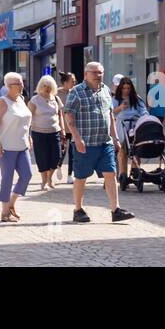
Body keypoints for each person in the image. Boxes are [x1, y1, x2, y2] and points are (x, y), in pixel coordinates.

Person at [63, 61, 134, 224]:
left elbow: (110, 115)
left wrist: (115, 138)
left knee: (111, 174)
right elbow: (69, 117)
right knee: (81, 177)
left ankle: (116, 210)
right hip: (85, 143)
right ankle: (78, 209)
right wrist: (77, 138)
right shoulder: (76, 91)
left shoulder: (106, 90)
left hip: (105, 142)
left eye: (100, 72)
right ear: (86, 74)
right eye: (94, 72)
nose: (98, 75)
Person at [0, 72, 33, 222]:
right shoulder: (3, 102)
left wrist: (29, 136)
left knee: (27, 175)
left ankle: (12, 202)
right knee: (7, 178)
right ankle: (4, 212)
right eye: (18, 83)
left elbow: (26, 121)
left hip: (22, 145)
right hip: (6, 146)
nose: (22, 86)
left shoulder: (21, 99)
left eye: (22, 82)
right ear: (9, 86)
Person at [28, 75, 64, 190]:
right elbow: (28, 117)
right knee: (42, 157)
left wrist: (62, 130)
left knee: (56, 156)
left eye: (49, 86)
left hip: (54, 131)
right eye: (44, 86)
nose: (47, 88)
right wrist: (27, 134)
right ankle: (44, 179)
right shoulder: (35, 100)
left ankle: (50, 177)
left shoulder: (56, 99)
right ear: (40, 86)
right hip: (38, 132)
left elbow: (60, 115)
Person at [112, 76, 149, 168]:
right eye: (124, 88)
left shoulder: (136, 98)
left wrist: (144, 117)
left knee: (136, 150)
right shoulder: (116, 99)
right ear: (121, 88)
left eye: (128, 88)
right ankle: (123, 175)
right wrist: (120, 107)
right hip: (122, 124)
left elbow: (143, 110)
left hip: (135, 124)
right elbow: (111, 112)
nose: (126, 90)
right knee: (123, 150)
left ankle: (135, 171)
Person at [56, 72, 77, 182]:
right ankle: (58, 166)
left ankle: (70, 175)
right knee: (62, 151)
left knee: (72, 151)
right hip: (61, 127)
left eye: (74, 81)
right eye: (72, 81)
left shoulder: (75, 92)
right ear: (65, 82)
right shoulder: (56, 94)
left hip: (73, 126)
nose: (74, 83)